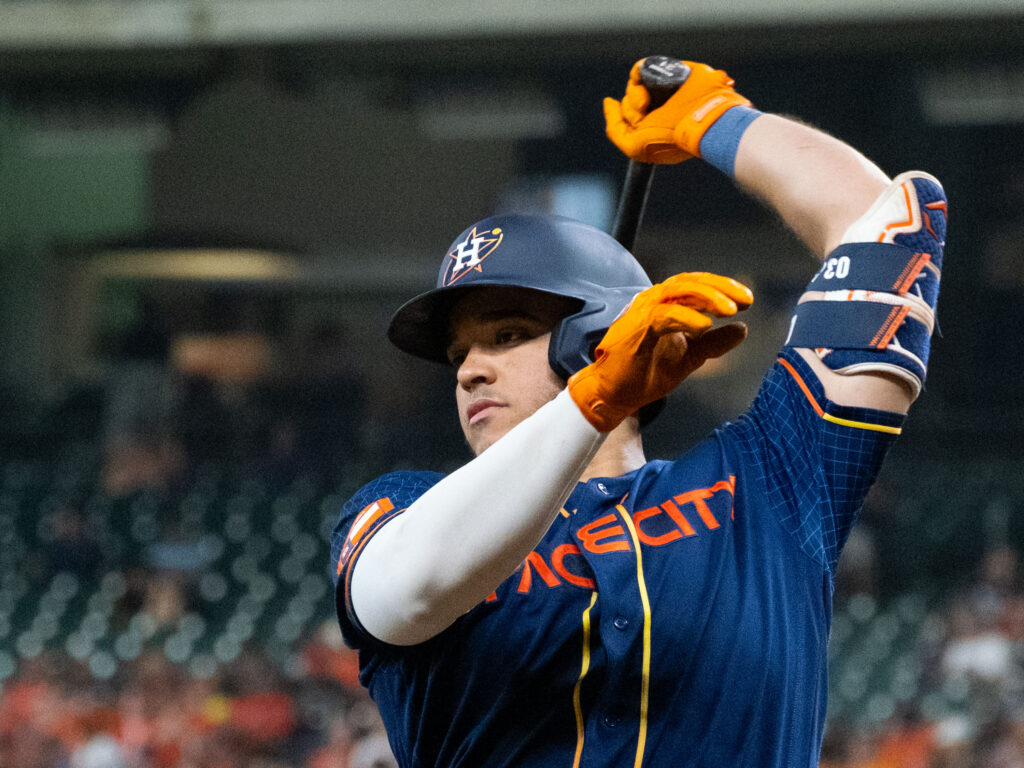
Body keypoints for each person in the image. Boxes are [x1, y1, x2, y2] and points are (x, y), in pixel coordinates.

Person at [329, 58, 947, 767]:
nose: (469, 369)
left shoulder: (767, 483)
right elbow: (406, 591)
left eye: (507, 334)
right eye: (457, 353)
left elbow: (894, 223)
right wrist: (590, 400)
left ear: (600, 335)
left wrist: (717, 122)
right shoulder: (398, 509)